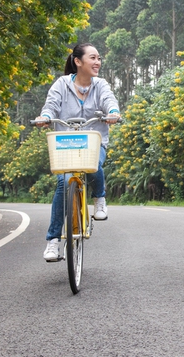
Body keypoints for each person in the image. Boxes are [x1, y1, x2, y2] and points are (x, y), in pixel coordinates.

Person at [35, 43, 121, 261]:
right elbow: (51, 106)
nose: (98, 62)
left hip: (93, 143)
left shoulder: (100, 85)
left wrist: (113, 112)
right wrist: (45, 117)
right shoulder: (62, 84)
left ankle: (99, 197)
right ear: (78, 61)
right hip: (66, 145)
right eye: (93, 58)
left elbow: (109, 100)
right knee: (63, 183)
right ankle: (53, 241)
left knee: (94, 166)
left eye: (99, 58)